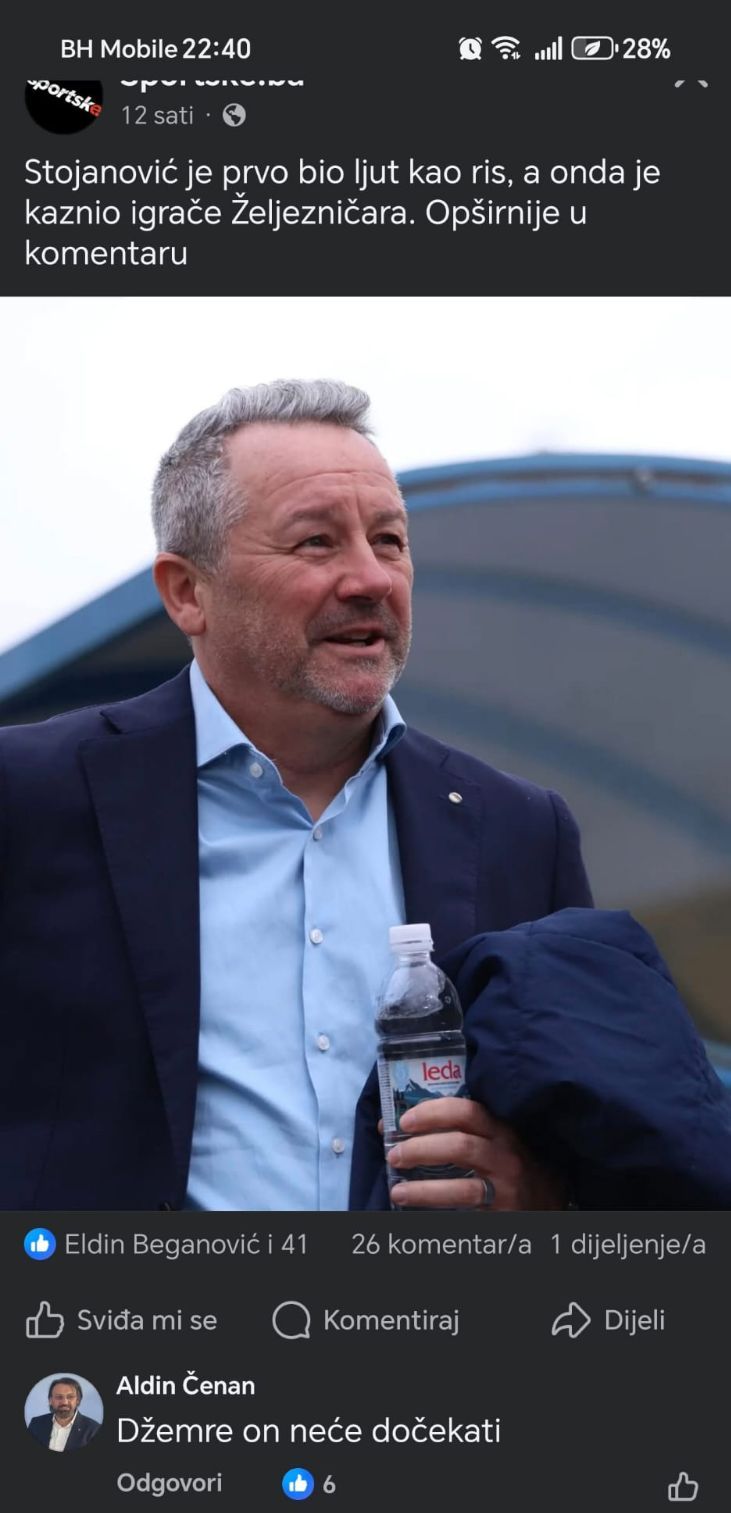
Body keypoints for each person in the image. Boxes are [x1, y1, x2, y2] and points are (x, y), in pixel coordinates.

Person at [0, 380, 593, 1212]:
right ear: (187, 592)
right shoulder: (30, 796)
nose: (370, 578)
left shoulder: (519, 830)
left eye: (388, 540)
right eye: (316, 542)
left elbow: (594, 1132)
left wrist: (539, 1192)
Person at [27, 1378, 101, 1451]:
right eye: (59, 1397)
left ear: (78, 1400)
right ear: (50, 1400)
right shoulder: (36, 1423)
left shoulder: (93, 1430)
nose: (64, 1402)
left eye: (70, 1397)